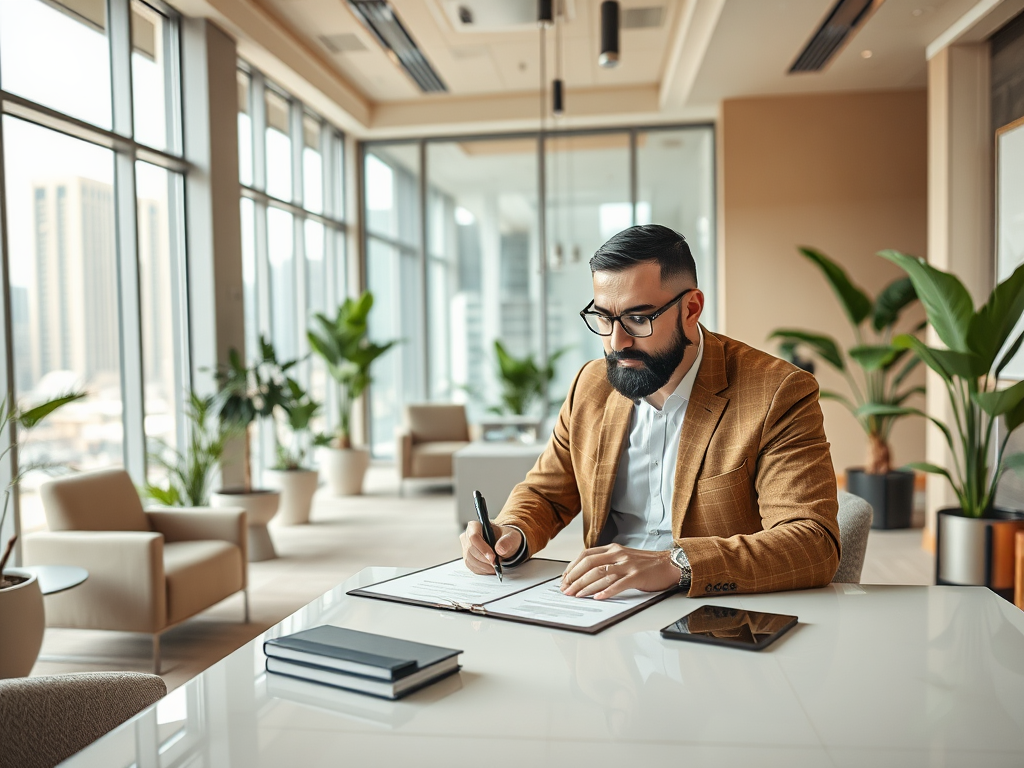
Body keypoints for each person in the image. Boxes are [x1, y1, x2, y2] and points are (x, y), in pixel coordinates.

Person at [460, 224, 840, 599]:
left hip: (712, 612)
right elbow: (548, 493)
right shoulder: (591, 384)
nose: (616, 342)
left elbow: (812, 542)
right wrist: (511, 531)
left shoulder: (776, 392)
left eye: (638, 319)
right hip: (604, 608)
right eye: (605, 318)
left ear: (691, 308)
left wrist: (674, 564)